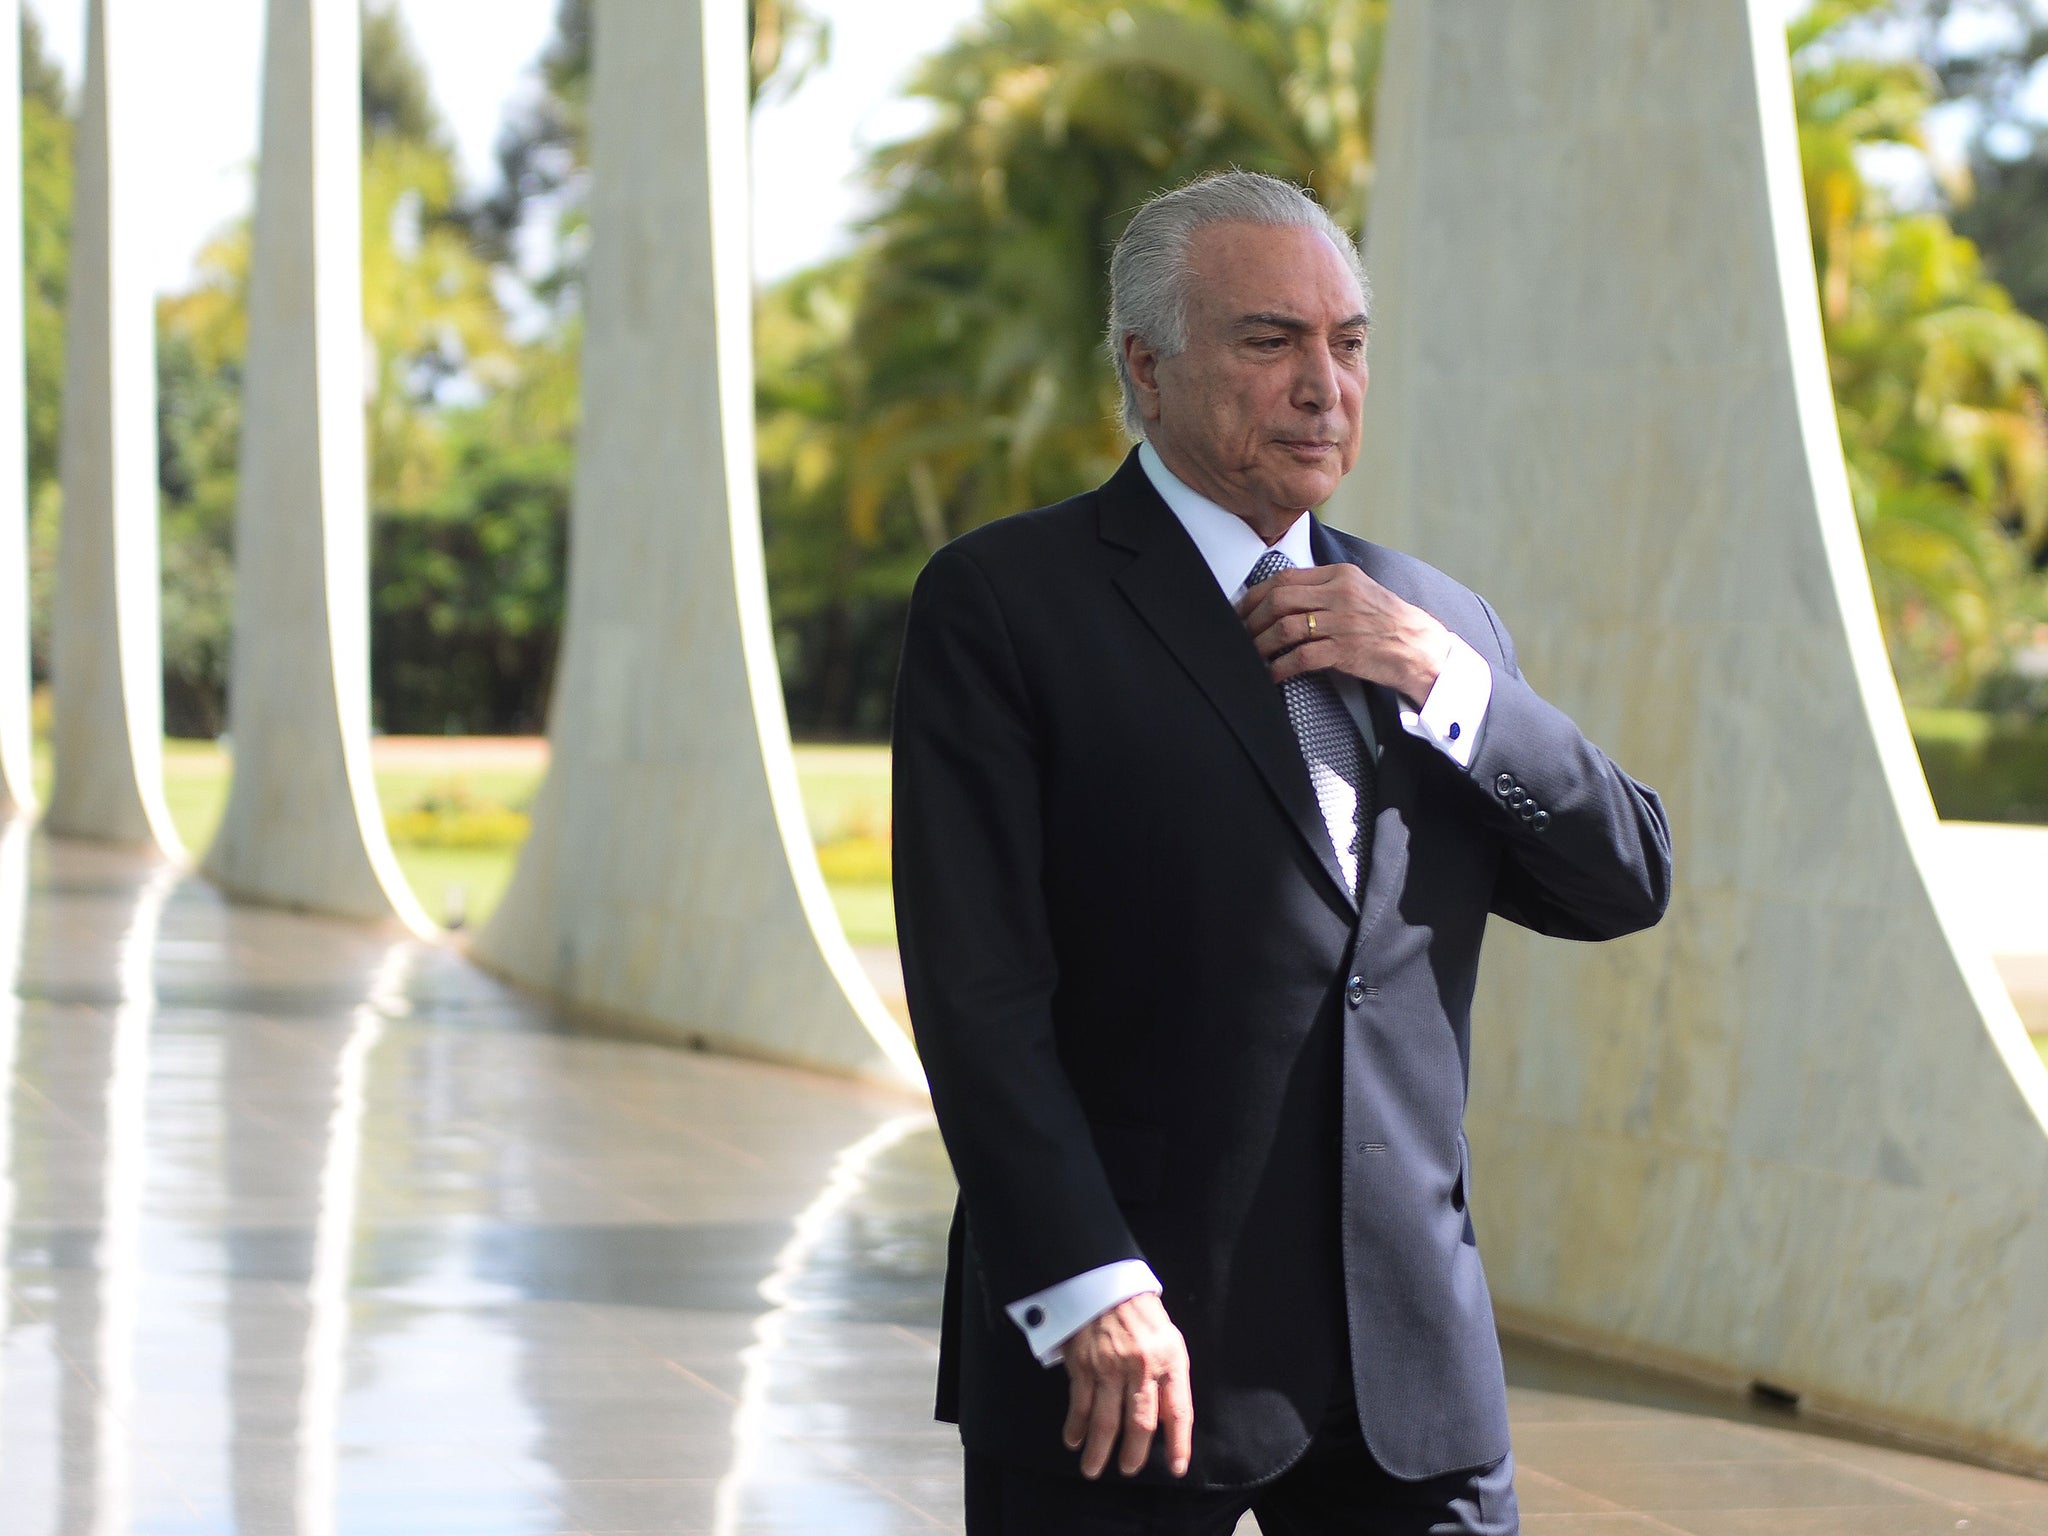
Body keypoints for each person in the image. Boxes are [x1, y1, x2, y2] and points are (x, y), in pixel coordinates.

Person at [891, 170, 1672, 1536]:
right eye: (1271, 340)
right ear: (1147, 365)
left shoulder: (1438, 621)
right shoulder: (1004, 604)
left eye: (1349, 342)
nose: (1324, 383)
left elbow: (1622, 879)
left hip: (1411, 1377)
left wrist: (1450, 685)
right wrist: (1088, 1282)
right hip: (1127, 1361)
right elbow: (976, 995)